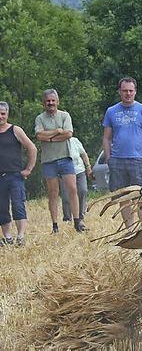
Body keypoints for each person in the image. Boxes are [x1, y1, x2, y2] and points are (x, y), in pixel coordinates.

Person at [102, 77, 142, 230]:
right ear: (120, 92)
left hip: (138, 160)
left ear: (135, 92)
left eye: (130, 91)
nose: (128, 94)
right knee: (124, 198)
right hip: (117, 160)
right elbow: (106, 137)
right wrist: (108, 158)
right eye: (124, 91)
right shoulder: (111, 111)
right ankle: (129, 230)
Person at [35, 89, 86, 233]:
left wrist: (49, 137)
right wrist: (57, 132)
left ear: (57, 102)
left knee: (73, 189)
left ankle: (77, 222)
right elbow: (39, 136)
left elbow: (69, 134)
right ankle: (55, 225)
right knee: (53, 192)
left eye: (53, 100)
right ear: (43, 103)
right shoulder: (40, 118)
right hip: (48, 160)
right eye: (48, 101)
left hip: (65, 157)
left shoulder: (65, 115)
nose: (50, 103)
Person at [0, 102, 37, 247]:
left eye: (3, 113)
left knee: (18, 205)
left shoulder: (15, 130)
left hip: (15, 175)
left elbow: (32, 148)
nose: (0, 116)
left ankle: (20, 237)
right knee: (2, 208)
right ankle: (7, 238)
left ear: (7, 114)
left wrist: (28, 169)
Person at [60, 137, 92, 222]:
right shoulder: (57, 143)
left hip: (79, 171)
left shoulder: (75, 140)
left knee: (83, 191)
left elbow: (83, 154)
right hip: (65, 172)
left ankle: (80, 216)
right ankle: (67, 218)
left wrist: (88, 167)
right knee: (66, 196)